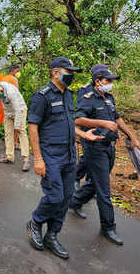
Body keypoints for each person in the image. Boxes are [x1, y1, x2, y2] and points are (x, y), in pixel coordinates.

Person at [26, 57, 103, 259]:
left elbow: (68, 123)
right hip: (50, 154)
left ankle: (52, 235)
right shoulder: (41, 96)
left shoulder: (69, 95)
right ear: (55, 72)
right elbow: (32, 126)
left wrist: (83, 134)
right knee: (55, 196)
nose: (71, 75)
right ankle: (35, 221)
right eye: (68, 71)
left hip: (69, 154)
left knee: (67, 197)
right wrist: (38, 159)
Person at [69, 65, 140, 245]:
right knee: (104, 190)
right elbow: (77, 119)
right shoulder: (87, 97)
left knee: (97, 182)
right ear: (98, 81)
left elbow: (117, 118)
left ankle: (75, 201)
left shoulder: (108, 97)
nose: (111, 84)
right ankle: (108, 227)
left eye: (112, 81)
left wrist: (132, 136)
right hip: (95, 146)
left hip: (109, 146)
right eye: (108, 81)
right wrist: (102, 122)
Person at [0, 82, 30, 171]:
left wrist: (16, 126)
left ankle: (26, 160)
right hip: (8, 113)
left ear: (2, 91)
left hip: (20, 110)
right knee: (8, 134)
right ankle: (9, 157)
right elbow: (3, 103)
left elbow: (18, 110)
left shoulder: (11, 92)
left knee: (21, 132)